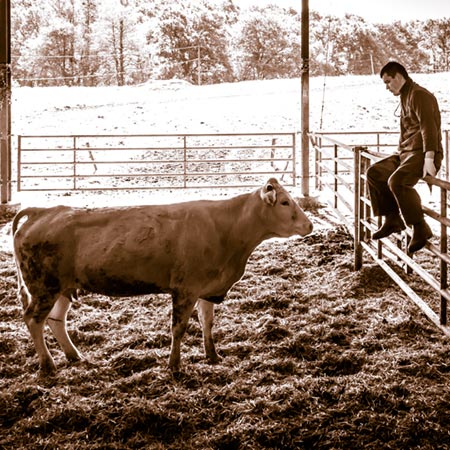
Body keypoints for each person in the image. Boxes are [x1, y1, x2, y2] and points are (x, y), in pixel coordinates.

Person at [366, 61, 443, 253]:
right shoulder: (405, 96)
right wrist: (399, 151)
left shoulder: (419, 95)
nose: (387, 87)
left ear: (399, 76)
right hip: (406, 153)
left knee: (397, 182)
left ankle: (420, 227)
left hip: (422, 152)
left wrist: (429, 158)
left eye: (388, 81)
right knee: (374, 173)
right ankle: (392, 218)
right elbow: (406, 130)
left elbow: (428, 127)